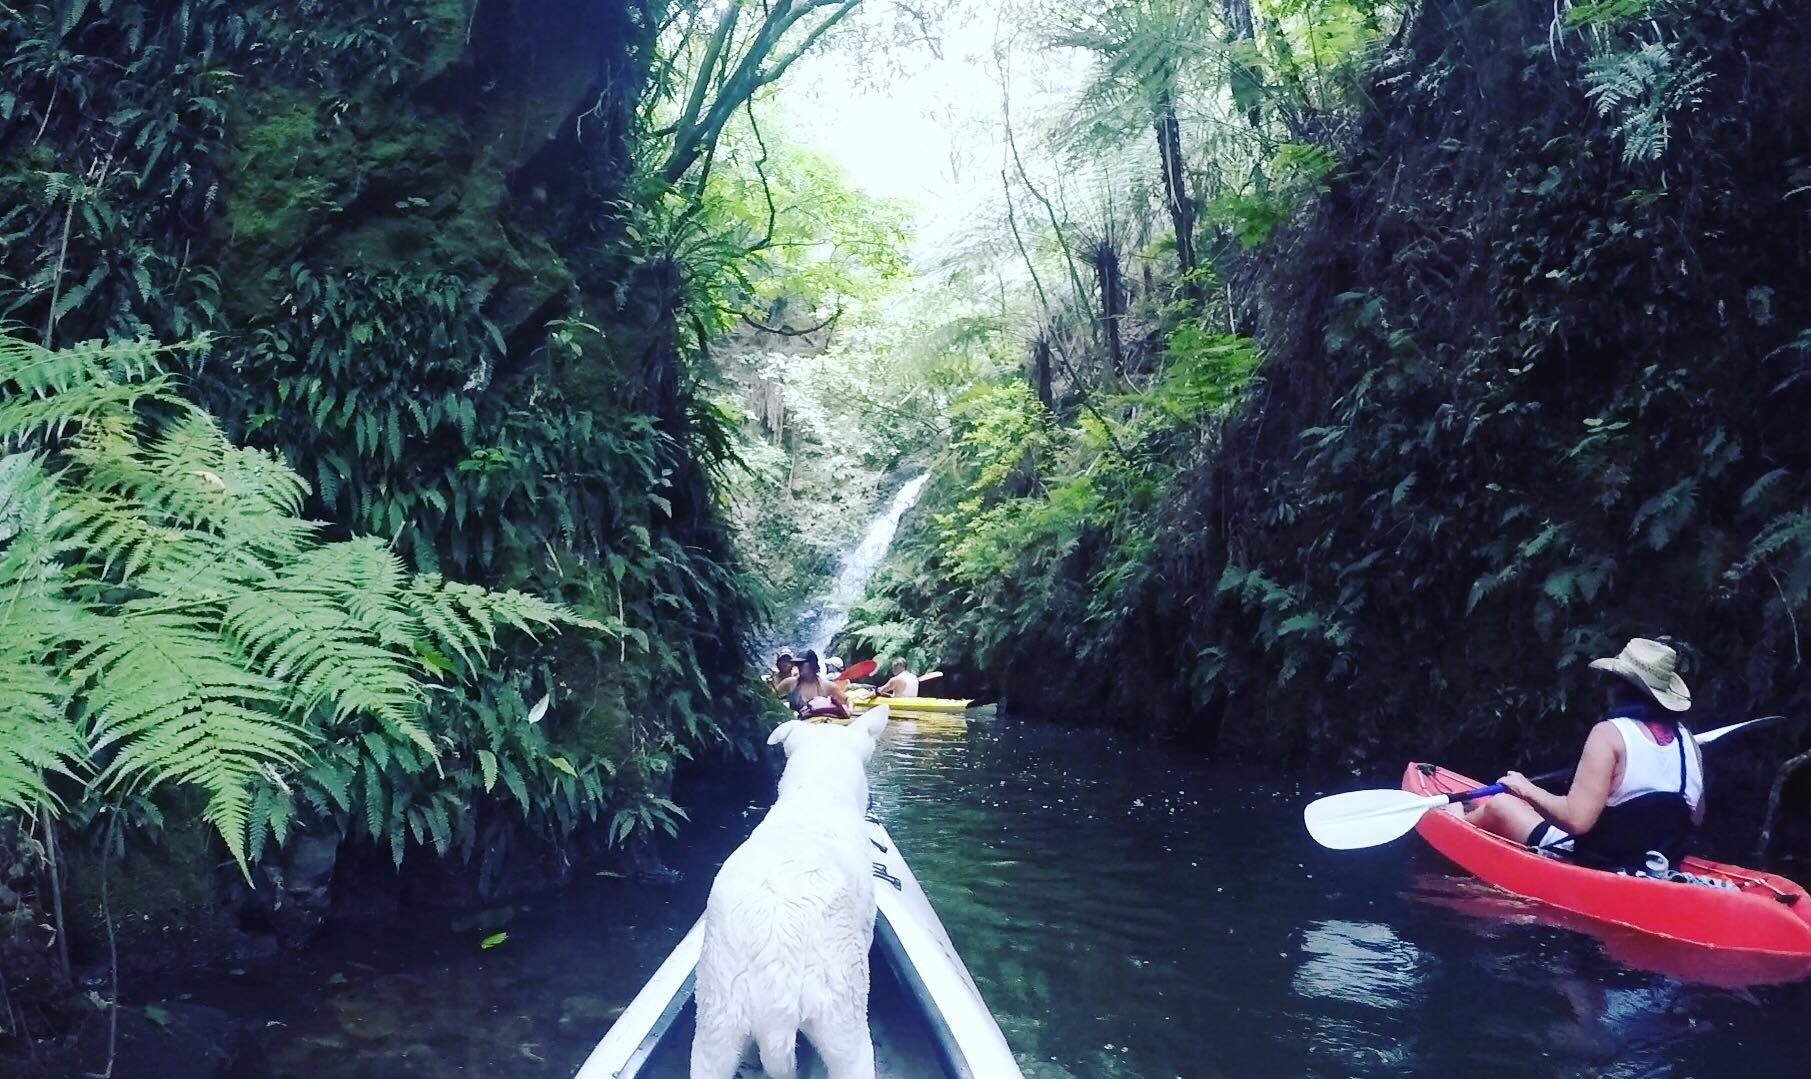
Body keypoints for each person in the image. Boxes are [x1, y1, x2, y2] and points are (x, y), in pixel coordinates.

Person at [1466, 638, 1705, 871]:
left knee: (1499, 805)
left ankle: (1449, 819)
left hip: (1598, 861)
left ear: (1617, 686)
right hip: (1659, 866)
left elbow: (1576, 820)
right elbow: (1695, 819)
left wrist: (1524, 788)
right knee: (1527, 809)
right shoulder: (1689, 742)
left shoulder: (1609, 734)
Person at [778, 650, 849, 720]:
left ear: (812, 664)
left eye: (801, 663)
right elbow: (772, 700)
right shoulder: (789, 683)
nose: (798, 666)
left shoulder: (828, 686)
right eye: (797, 664)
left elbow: (848, 701)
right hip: (796, 727)